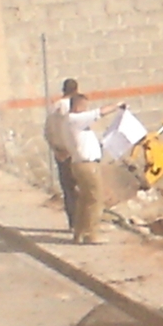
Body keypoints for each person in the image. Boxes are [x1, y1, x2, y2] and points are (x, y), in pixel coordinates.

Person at [64, 92, 125, 244]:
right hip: (87, 165)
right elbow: (100, 112)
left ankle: (79, 232)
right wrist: (117, 105)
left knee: (85, 200)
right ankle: (91, 234)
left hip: (82, 164)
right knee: (95, 199)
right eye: (85, 107)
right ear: (78, 106)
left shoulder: (73, 121)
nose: (86, 110)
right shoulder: (75, 119)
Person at [44, 78, 79, 229]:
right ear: (76, 90)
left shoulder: (53, 107)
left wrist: (56, 149)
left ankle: (73, 222)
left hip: (60, 153)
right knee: (80, 189)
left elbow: (47, 132)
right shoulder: (73, 107)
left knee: (68, 190)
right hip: (74, 154)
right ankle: (82, 224)